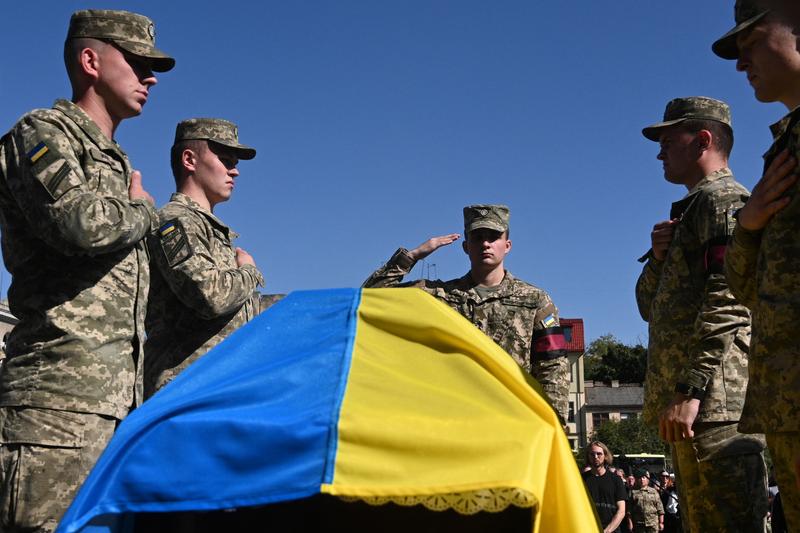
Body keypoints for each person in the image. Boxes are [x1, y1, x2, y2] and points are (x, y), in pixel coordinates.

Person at [0, 9, 174, 532]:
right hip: (53, 407)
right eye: (138, 62)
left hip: (113, 409)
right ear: (90, 60)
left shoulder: (117, 161)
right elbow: (82, 226)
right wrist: (143, 209)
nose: (151, 78)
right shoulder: (40, 132)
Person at [635, 96, 769, 532]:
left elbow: (729, 298)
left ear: (703, 140)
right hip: (693, 410)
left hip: (714, 407)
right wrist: (657, 259)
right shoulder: (692, 211)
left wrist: (689, 390)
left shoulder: (725, 201)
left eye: (669, 140)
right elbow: (645, 307)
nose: (659, 151)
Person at [713, 1, 800, 528]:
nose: (742, 61)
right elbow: (745, 286)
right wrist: (748, 225)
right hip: (786, 403)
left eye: (753, 39)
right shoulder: (783, 151)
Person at [362, 205, 569, 422]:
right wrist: (413, 255)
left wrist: (556, 424)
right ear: (466, 246)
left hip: (512, 420)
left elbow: (552, 365)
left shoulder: (534, 300)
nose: (486, 243)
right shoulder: (440, 296)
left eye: (494, 237)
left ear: (507, 246)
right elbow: (370, 297)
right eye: (477, 237)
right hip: (453, 420)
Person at [145, 119, 264, 396]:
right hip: (183, 387)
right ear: (189, 160)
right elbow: (211, 295)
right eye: (225, 160)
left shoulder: (206, 228)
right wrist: (248, 272)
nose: (234, 171)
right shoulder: (176, 220)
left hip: (213, 384)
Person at [583, 441, 627, 533]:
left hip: (611, 530)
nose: (595, 457)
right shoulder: (581, 480)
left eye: (599, 454)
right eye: (592, 454)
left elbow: (621, 511)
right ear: (588, 456)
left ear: (605, 456)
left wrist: (607, 531)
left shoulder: (616, 480)